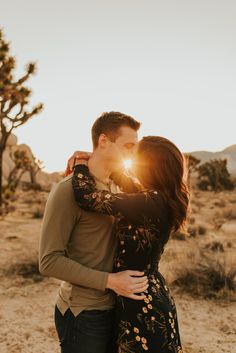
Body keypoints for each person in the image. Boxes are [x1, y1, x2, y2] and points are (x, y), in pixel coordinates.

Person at [38, 112, 149, 353]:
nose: (133, 154)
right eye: (128, 146)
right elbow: (48, 261)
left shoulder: (119, 186)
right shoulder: (67, 191)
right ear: (103, 141)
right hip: (83, 314)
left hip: (118, 308)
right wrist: (111, 281)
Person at [71, 135, 189, 353]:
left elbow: (87, 197)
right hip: (149, 292)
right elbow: (129, 183)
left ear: (150, 166)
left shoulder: (147, 202)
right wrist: (101, 161)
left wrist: (80, 164)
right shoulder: (160, 198)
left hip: (141, 303)